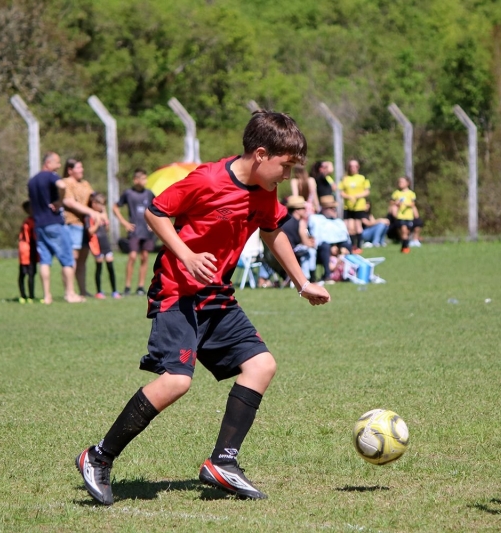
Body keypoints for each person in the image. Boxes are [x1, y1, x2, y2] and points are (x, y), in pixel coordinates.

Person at [75, 111, 331, 506]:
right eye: (285, 166)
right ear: (261, 155)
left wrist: (302, 282)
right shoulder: (208, 179)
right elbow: (155, 212)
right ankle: (98, 457)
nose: (287, 175)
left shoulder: (264, 189)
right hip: (177, 292)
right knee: (177, 381)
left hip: (217, 295)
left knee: (261, 365)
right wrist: (187, 254)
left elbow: (272, 231)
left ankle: (223, 462)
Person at [27, 152, 82, 304]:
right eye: (57, 162)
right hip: (54, 223)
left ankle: (47, 296)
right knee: (67, 259)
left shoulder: (32, 181)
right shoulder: (51, 176)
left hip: (39, 224)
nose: (59, 165)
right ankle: (70, 294)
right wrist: (60, 201)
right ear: (48, 163)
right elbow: (62, 185)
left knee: (45, 261)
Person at [60, 158, 103, 297]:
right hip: (72, 224)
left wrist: (103, 213)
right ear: (70, 170)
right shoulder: (66, 183)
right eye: (78, 167)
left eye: (81, 167)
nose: (82, 170)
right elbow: (69, 202)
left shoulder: (85, 184)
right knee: (72, 258)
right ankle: (70, 291)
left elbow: (95, 200)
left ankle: (83, 291)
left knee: (82, 260)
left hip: (86, 226)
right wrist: (92, 212)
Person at [113, 169, 155, 296]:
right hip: (134, 230)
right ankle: (127, 287)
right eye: (142, 178)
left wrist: (153, 223)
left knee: (145, 257)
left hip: (147, 231)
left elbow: (157, 208)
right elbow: (115, 207)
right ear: (135, 180)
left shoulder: (149, 193)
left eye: (145, 178)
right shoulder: (128, 193)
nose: (145, 181)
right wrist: (124, 222)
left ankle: (140, 287)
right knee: (132, 256)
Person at [259, 195, 316, 286]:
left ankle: (267, 281)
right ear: (297, 210)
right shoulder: (300, 222)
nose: (305, 210)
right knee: (310, 251)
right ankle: (309, 279)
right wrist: (312, 243)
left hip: (272, 256)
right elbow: (306, 243)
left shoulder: (281, 221)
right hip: (291, 253)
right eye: (303, 208)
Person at [308, 195, 351, 283]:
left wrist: (337, 246)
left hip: (338, 246)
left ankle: (349, 272)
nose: (334, 210)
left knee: (347, 245)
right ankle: (328, 275)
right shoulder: (316, 219)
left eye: (334, 208)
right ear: (324, 209)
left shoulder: (338, 221)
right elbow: (317, 237)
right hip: (322, 249)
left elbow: (344, 236)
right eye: (331, 208)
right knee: (325, 246)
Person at [88, 193, 120, 299]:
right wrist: (97, 222)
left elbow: (106, 230)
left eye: (103, 205)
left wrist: (106, 223)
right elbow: (90, 231)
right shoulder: (90, 215)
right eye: (100, 204)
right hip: (97, 245)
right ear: (94, 203)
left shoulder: (102, 214)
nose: (102, 207)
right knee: (99, 268)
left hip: (105, 243)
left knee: (110, 267)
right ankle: (99, 292)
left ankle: (114, 291)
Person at [338, 159, 370, 252]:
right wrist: (349, 197)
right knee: (349, 227)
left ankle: (359, 246)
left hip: (358, 206)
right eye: (351, 166)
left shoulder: (362, 178)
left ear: (358, 167)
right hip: (348, 206)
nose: (353, 168)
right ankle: (352, 246)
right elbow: (341, 192)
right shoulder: (345, 178)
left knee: (357, 226)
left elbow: (367, 191)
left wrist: (356, 196)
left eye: (355, 166)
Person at [389, 176, 422, 253]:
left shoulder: (411, 194)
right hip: (400, 216)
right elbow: (391, 202)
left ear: (408, 183)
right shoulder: (396, 193)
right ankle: (405, 248)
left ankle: (404, 246)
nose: (400, 183)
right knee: (403, 231)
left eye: (402, 182)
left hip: (409, 217)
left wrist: (406, 204)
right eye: (399, 182)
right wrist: (396, 203)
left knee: (406, 232)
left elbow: (413, 204)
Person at [17, 200, 37, 303]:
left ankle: (30, 296)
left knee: (31, 274)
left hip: (30, 251)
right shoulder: (29, 222)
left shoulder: (31, 220)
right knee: (24, 274)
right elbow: (31, 238)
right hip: (27, 251)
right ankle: (25, 296)